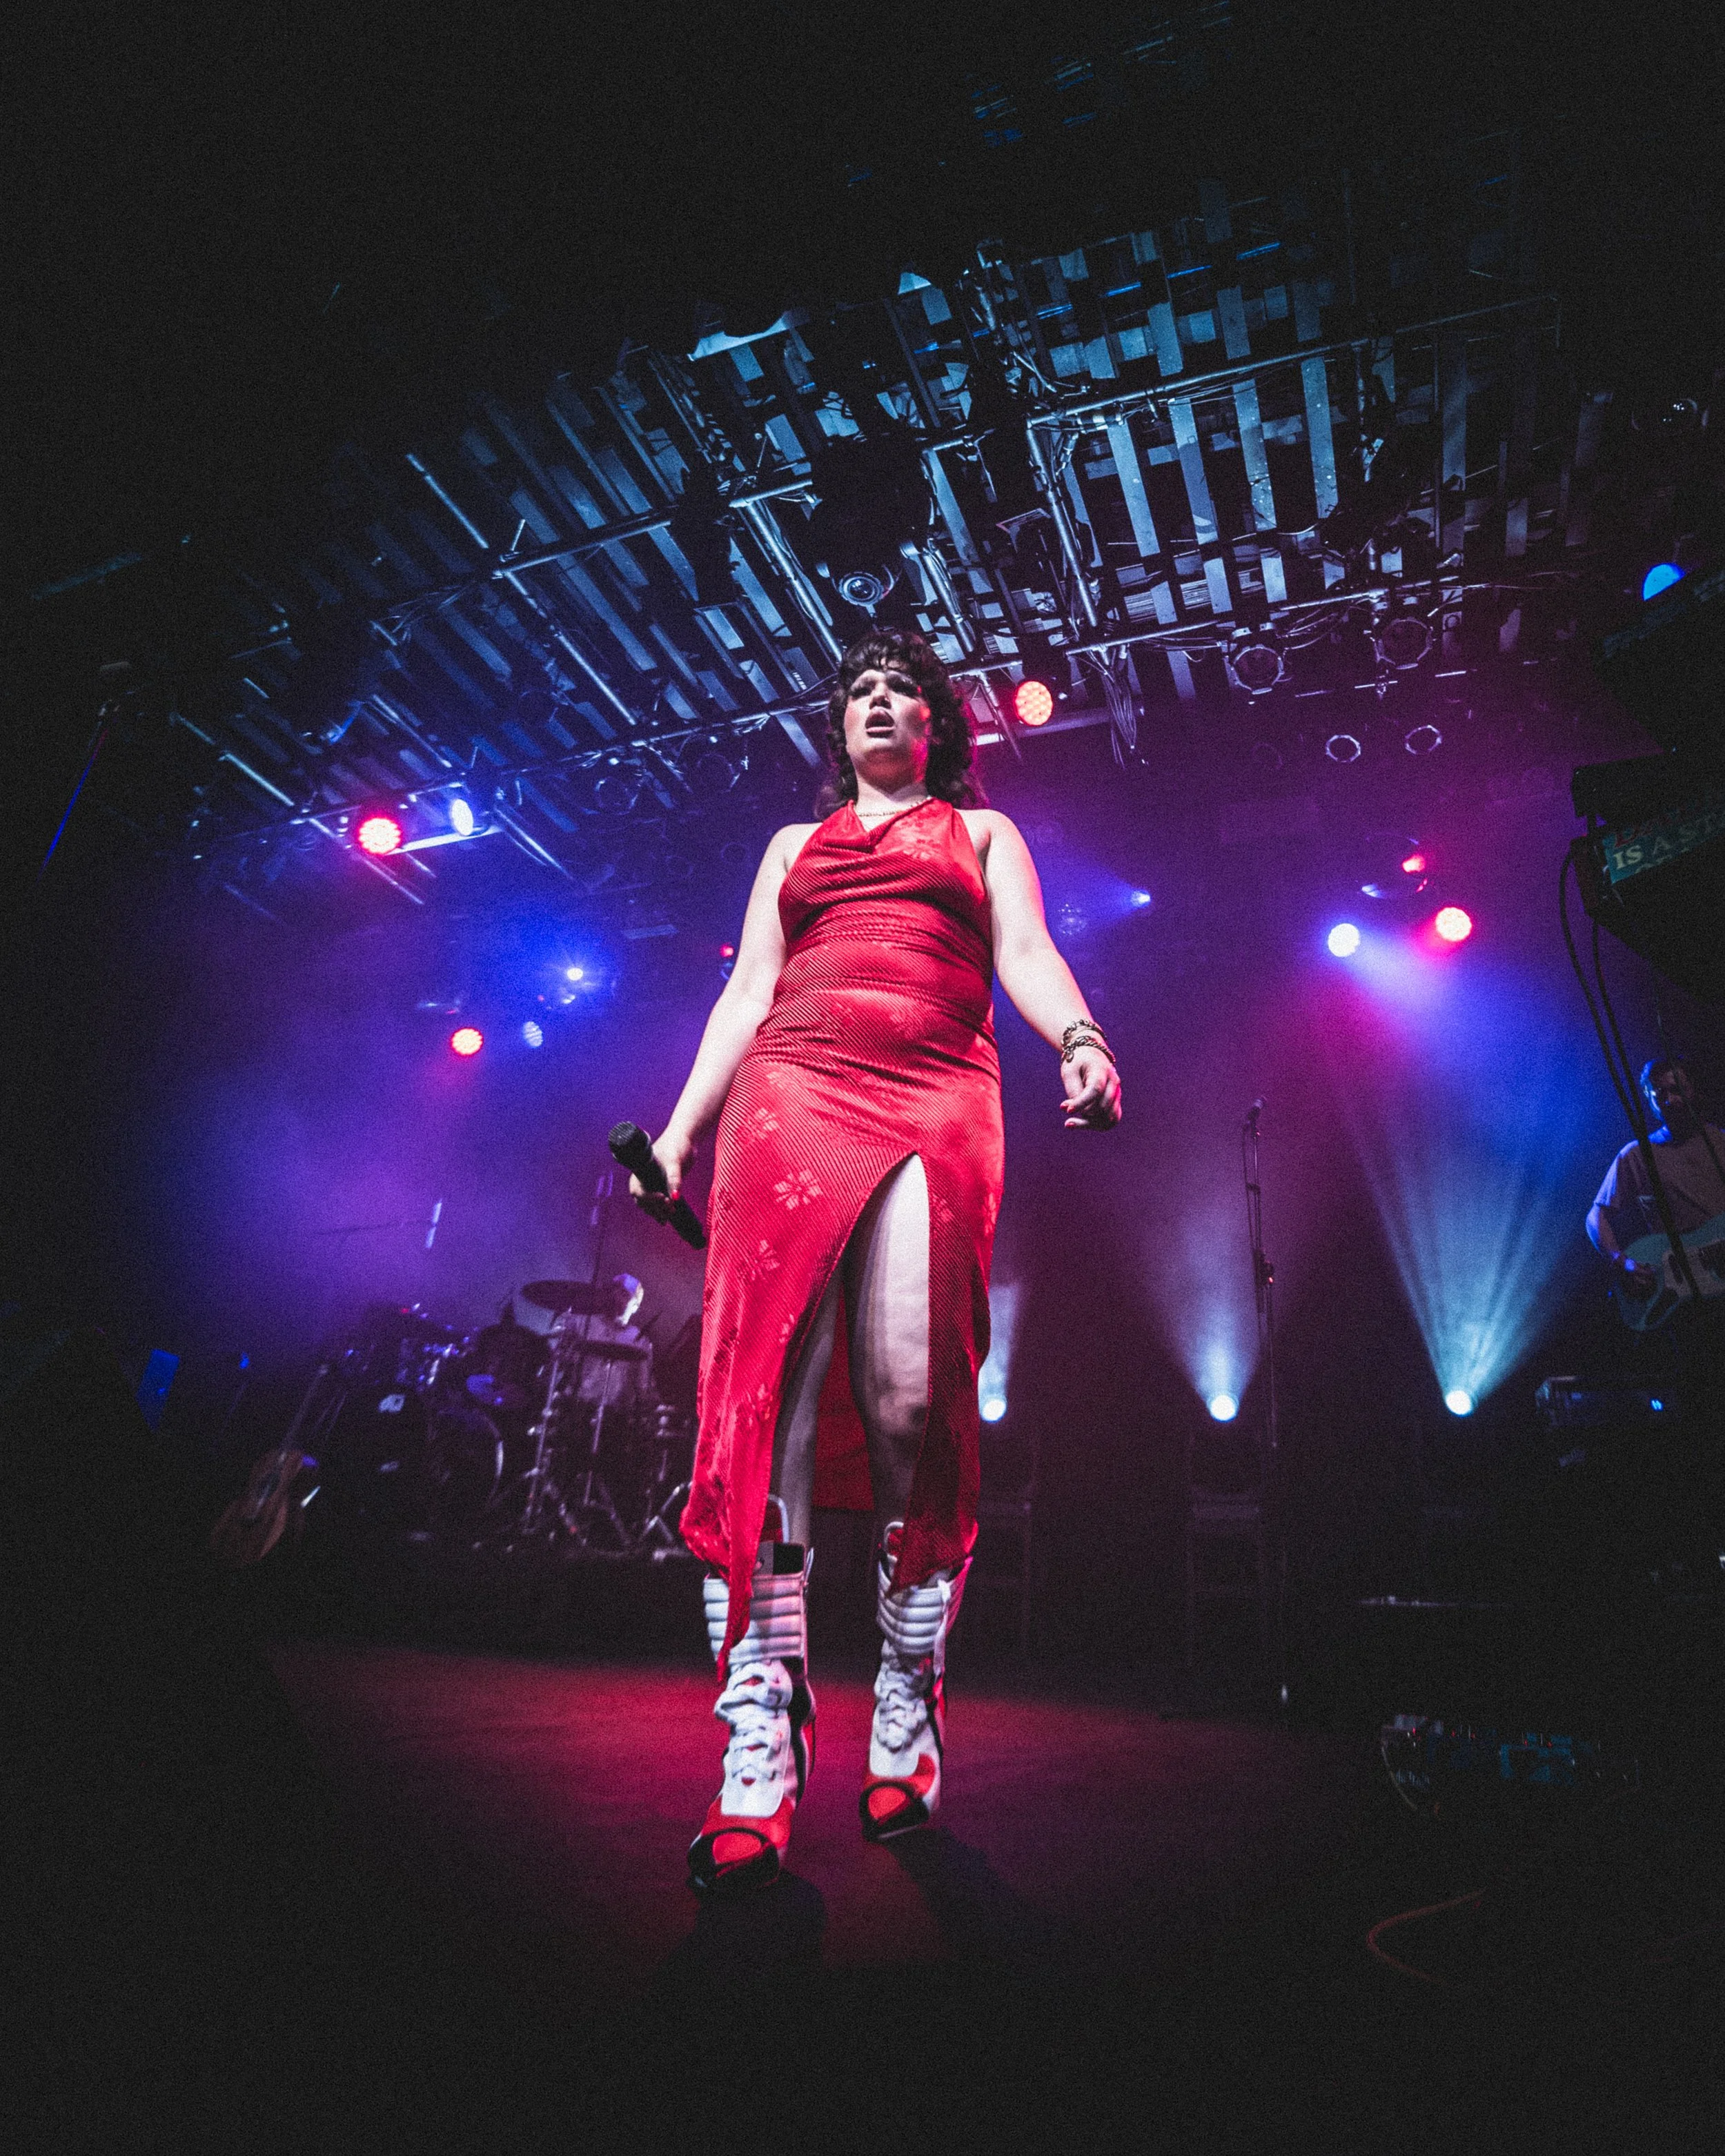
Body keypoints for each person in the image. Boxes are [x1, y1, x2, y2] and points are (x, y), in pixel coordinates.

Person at [633, 629, 1121, 1892]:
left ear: (937, 724)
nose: (880, 702)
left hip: (937, 1087)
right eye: (861, 690)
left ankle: (909, 1692)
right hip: (790, 1090)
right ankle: (761, 1731)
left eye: (904, 690)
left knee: (909, 1397)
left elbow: (1024, 952)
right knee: (771, 1406)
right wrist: (680, 1133)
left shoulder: (984, 834)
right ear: (840, 723)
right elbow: (747, 992)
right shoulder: (791, 849)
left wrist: (1080, 1038)